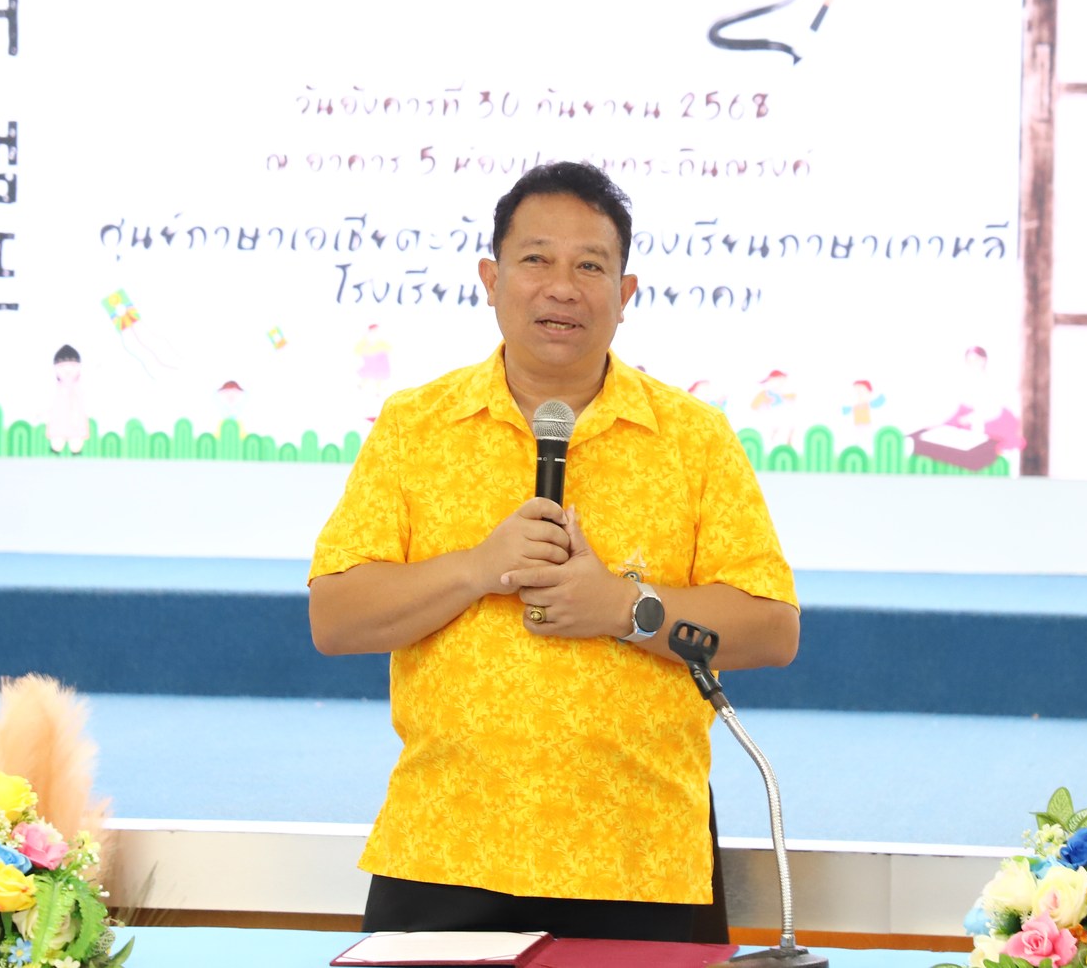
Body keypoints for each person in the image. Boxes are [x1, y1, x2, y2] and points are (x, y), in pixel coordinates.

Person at [308, 161, 800, 942]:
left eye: (590, 266)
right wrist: (478, 568)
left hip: (640, 860)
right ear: (491, 279)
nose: (562, 287)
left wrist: (625, 608)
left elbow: (772, 629)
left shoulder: (694, 440)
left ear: (625, 294)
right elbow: (335, 618)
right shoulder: (415, 427)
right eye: (536, 259)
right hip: (445, 852)